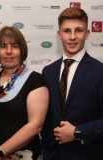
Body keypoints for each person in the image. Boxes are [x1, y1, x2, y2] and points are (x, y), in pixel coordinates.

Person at [0, 26, 49, 160]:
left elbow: (35, 125)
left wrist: (1, 152)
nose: (9, 52)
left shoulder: (35, 80)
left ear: (22, 50)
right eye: (3, 46)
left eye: (14, 46)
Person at [40, 7, 103, 160]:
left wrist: (77, 132)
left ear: (87, 34)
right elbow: (45, 118)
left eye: (79, 30)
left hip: (87, 155)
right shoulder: (48, 71)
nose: (72, 37)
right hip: (53, 155)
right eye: (67, 31)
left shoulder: (100, 71)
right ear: (59, 34)